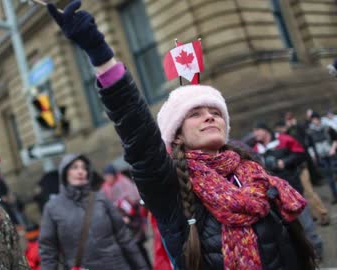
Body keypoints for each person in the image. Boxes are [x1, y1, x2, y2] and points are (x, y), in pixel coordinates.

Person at [46, 1, 316, 269]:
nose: (210, 116)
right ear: (177, 135)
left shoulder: (255, 172)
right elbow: (136, 129)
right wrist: (101, 56)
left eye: (215, 112)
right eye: (195, 113)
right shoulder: (169, 186)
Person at [38, 154, 149, 270]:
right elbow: (48, 251)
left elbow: (124, 238)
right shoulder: (52, 208)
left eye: (84, 168)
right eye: (75, 167)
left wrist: (142, 267)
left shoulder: (100, 199)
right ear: (65, 172)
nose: (81, 171)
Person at [253, 122, 323, 259]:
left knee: (306, 223)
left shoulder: (284, 139)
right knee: (290, 228)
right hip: (274, 194)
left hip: (292, 187)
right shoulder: (256, 149)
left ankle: (317, 248)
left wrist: (284, 162)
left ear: (265, 130)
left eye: (257, 131)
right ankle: (304, 253)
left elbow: (301, 154)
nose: (255, 135)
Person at [306, 112, 337, 204]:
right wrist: (313, 155)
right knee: (329, 177)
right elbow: (310, 145)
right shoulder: (310, 132)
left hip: (332, 153)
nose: (315, 121)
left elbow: (335, 138)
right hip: (321, 156)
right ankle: (335, 195)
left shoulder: (327, 128)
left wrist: (333, 148)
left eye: (316, 119)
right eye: (313, 120)